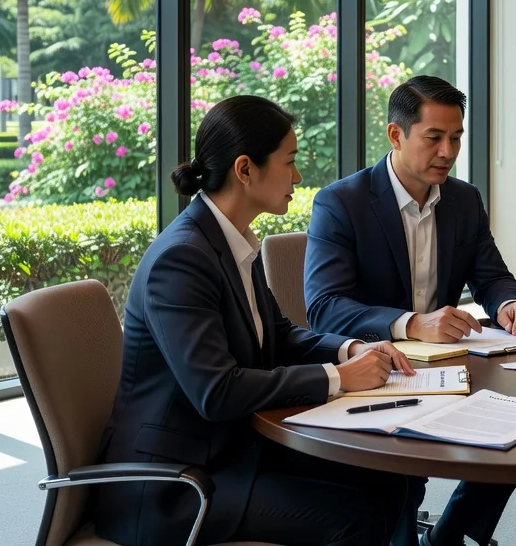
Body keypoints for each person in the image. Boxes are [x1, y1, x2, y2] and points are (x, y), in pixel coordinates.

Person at [94, 95, 415, 546]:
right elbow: (217, 391)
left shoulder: (233, 241)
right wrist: (338, 377)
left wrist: (351, 349)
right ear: (245, 170)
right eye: (290, 162)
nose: (298, 177)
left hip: (229, 451)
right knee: (353, 517)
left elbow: (278, 336)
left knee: (385, 478)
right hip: (172, 484)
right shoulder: (182, 259)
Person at [304, 75, 516, 546]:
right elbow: (324, 308)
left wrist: (511, 302)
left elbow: (489, 275)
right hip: (376, 370)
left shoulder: (464, 200)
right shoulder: (342, 202)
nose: (448, 151)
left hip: (451, 368)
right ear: (396, 135)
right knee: (398, 482)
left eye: (456, 137)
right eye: (434, 137)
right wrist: (411, 323)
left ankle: (447, 538)